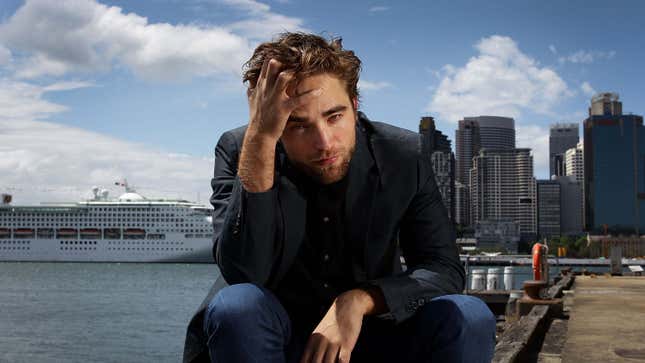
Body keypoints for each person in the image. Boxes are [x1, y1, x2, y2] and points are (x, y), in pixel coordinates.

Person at [183, 32, 496, 363]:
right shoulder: (242, 149)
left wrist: (359, 301)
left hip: (373, 335)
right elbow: (243, 274)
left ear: (355, 106)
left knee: (469, 314)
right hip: (270, 338)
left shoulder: (402, 155)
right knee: (237, 305)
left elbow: (443, 268)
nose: (324, 142)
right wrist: (260, 139)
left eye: (335, 116)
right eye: (298, 125)